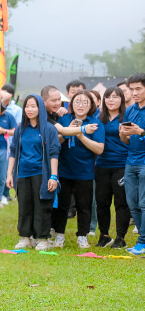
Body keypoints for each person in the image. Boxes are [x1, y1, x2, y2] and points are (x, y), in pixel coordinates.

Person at [52, 90, 104, 249]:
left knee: (84, 205)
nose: (81, 105)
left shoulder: (95, 123)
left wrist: (81, 135)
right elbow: (56, 141)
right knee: (62, 205)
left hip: (84, 172)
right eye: (77, 102)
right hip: (64, 170)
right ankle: (59, 235)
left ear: (91, 106)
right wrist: (69, 130)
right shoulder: (64, 119)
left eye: (85, 102)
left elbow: (99, 149)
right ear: (71, 104)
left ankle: (83, 236)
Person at [6, 95, 60, 250]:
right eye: (27, 106)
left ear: (40, 108)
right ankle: (25, 237)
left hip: (41, 174)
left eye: (33, 106)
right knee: (24, 206)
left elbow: (54, 153)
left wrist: (53, 176)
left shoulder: (48, 129)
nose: (29, 109)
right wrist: (9, 174)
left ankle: (42, 238)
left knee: (42, 205)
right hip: (22, 173)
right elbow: (13, 151)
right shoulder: (20, 129)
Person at [95, 87, 130, 248]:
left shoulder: (127, 116)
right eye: (107, 97)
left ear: (121, 100)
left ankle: (120, 238)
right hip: (101, 165)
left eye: (115, 97)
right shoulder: (99, 117)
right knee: (102, 202)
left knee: (121, 203)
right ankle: (104, 235)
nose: (111, 100)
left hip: (121, 165)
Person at [120, 73, 145, 255]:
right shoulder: (130, 110)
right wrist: (124, 133)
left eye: (139, 89)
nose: (134, 93)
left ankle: (142, 241)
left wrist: (141, 131)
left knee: (144, 203)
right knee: (132, 203)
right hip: (131, 161)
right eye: (132, 89)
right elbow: (126, 141)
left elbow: (140, 134)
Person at [0, 104, 17, 207]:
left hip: (3, 149)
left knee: (1, 175)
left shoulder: (9, 117)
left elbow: (16, 131)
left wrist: (4, 131)